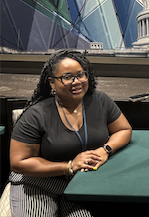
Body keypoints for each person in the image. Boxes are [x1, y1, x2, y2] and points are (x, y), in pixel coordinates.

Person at [9, 50, 132, 217]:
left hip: (80, 185)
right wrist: (69, 166)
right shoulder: (36, 114)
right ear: (52, 83)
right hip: (38, 183)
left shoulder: (100, 100)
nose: (77, 82)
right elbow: (19, 162)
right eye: (67, 77)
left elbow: (124, 129)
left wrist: (105, 150)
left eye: (81, 75)